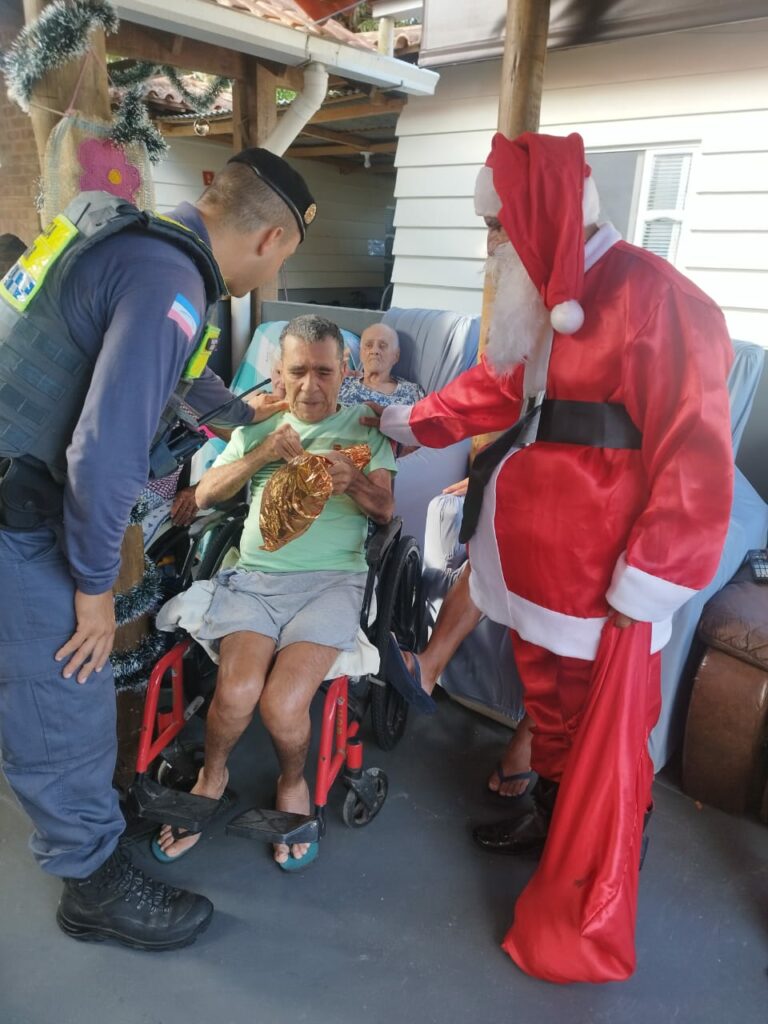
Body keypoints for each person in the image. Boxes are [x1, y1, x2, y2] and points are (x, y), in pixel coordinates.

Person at [368, 131, 734, 981]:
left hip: (599, 579)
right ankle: (545, 822)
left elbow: (697, 454)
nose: (490, 245)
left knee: (599, 728)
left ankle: (593, 873)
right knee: (550, 709)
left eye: (498, 228)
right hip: (530, 566)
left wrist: (651, 578)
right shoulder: (543, 297)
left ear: (536, 220)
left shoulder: (657, 298)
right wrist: (406, 423)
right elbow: (495, 388)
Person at [0, 147, 314, 950]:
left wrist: (246, 414)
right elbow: (104, 454)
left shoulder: (131, 238)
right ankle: (92, 883)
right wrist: (96, 588)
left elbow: (174, 381)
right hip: (16, 509)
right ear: (274, 239)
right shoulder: (173, 284)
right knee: (67, 686)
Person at [153, 315, 396, 870]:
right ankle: (213, 777)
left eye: (324, 372)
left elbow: (386, 511)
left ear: (345, 372)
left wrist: (353, 481)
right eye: (297, 372)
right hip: (256, 582)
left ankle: (292, 781)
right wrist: (260, 455)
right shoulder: (257, 426)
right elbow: (206, 492)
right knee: (235, 693)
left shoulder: (366, 428)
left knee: (284, 703)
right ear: (279, 374)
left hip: (331, 583)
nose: (310, 386)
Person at [339, 322, 424, 407]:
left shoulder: (411, 393)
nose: (375, 351)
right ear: (360, 353)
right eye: (368, 345)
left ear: (396, 355)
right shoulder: (342, 383)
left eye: (383, 346)